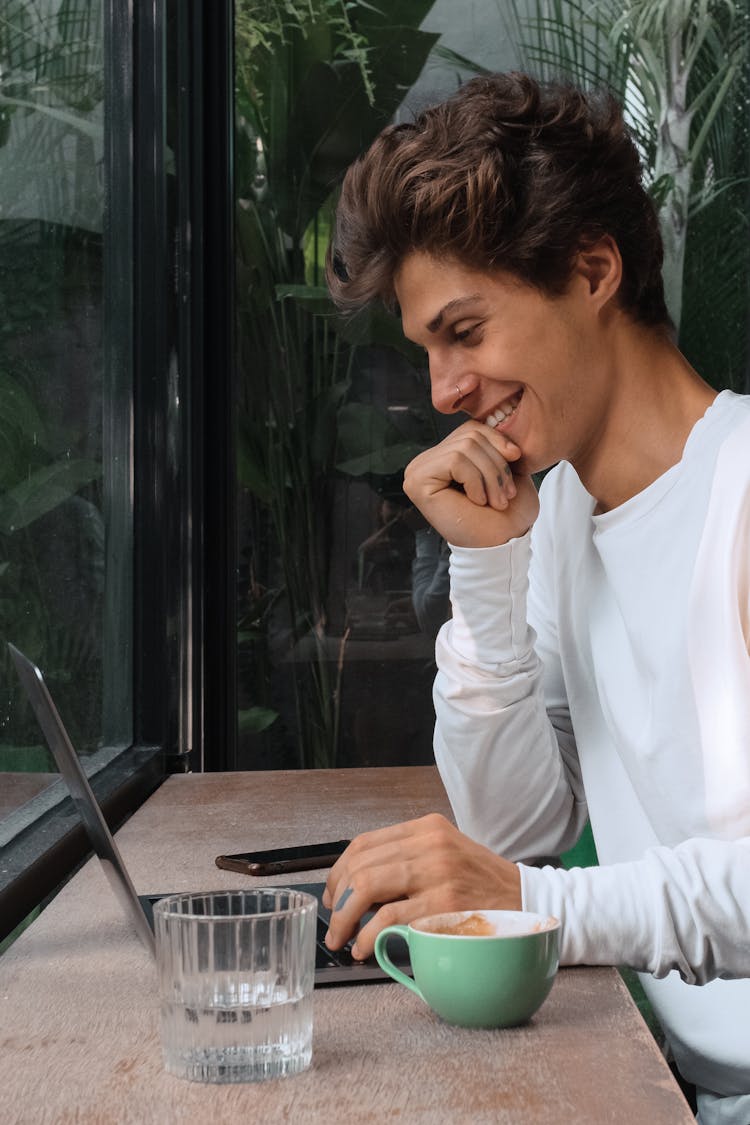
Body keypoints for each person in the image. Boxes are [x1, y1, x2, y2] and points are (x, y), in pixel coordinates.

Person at [321, 72, 750, 1124]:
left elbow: (523, 879)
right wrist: (488, 565)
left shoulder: (741, 497)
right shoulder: (556, 518)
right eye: (427, 350)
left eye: (465, 332)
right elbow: (519, 825)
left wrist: (535, 903)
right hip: (671, 1078)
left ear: (593, 270)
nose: (442, 392)